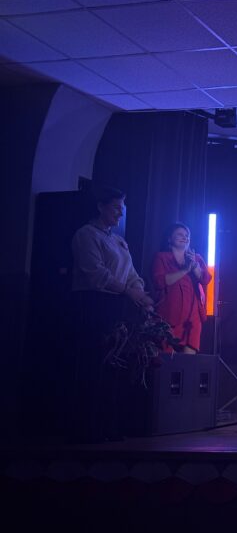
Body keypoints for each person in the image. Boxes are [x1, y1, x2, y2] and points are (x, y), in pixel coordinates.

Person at [70, 186, 153, 442]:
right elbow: (96, 274)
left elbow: (132, 273)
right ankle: (89, 429)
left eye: (122, 208)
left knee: (117, 367)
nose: (120, 213)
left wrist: (140, 293)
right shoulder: (86, 234)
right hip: (94, 305)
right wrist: (128, 291)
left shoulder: (118, 240)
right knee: (96, 365)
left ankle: (111, 425)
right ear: (100, 206)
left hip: (119, 306)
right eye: (116, 207)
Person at [151, 222, 211, 353]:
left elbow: (205, 279)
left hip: (192, 317)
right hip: (169, 313)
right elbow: (159, 281)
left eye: (187, 235)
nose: (185, 237)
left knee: (188, 362)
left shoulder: (197, 258)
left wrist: (194, 266)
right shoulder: (162, 257)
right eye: (180, 234)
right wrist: (184, 270)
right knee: (166, 359)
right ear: (169, 238)